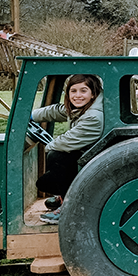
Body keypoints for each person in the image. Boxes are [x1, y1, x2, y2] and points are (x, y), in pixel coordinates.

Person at [32, 74, 104, 224]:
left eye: (83, 91)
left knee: (56, 157)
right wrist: (30, 116)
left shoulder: (93, 117)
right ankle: (64, 196)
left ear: (93, 94)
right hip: (86, 158)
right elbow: (57, 111)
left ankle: (70, 207)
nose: (78, 95)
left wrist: (47, 147)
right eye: (73, 91)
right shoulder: (82, 108)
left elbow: (63, 143)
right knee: (44, 183)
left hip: (93, 165)